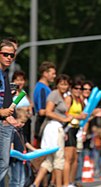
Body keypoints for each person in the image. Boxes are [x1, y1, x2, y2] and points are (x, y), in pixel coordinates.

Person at [32, 74, 73, 187]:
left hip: (57, 128)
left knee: (50, 159)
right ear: (57, 84)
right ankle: (58, 185)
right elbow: (48, 111)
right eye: (61, 84)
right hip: (53, 127)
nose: (64, 87)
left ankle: (35, 184)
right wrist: (63, 119)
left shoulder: (62, 96)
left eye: (66, 84)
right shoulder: (54, 94)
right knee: (59, 159)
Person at [0, 39, 22, 185]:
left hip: (4, 124)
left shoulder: (5, 74)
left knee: (4, 164)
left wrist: (10, 118)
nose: (9, 58)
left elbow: (6, 101)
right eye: (5, 54)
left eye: (11, 55)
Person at [64, 80, 87, 187]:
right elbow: (65, 113)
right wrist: (78, 116)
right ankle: (66, 182)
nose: (78, 91)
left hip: (76, 130)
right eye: (76, 88)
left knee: (75, 159)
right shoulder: (69, 98)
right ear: (71, 89)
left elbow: (85, 116)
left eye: (80, 89)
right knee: (68, 158)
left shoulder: (80, 100)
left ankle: (71, 182)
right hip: (68, 128)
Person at [33, 61, 56, 147]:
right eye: (52, 73)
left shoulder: (46, 88)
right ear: (45, 73)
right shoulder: (42, 88)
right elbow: (41, 111)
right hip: (43, 124)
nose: (54, 76)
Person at [12, 70, 33, 142]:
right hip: (16, 123)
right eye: (17, 80)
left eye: (21, 80)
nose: (19, 82)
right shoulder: (11, 93)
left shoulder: (24, 93)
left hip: (26, 122)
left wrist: (29, 110)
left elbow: (30, 104)